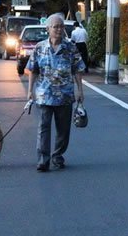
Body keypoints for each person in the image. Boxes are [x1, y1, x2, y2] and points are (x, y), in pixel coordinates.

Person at [26, 14, 86, 172]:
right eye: (55, 26)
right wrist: (29, 91)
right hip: (44, 95)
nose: (59, 29)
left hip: (65, 95)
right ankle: (43, 160)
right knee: (43, 128)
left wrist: (80, 90)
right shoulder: (39, 47)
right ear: (48, 29)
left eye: (61, 26)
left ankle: (57, 156)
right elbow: (33, 70)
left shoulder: (70, 47)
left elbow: (78, 70)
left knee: (63, 129)